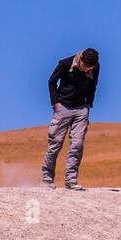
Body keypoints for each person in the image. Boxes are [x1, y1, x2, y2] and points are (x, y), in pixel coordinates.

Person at [41, 48, 99, 190]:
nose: (87, 71)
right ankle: (47, 179)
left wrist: (88, 104)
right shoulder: (65, 64)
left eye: (90, 69)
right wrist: (55, 104)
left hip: (81, 109)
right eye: (86, 68)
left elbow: (93, 84)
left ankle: (71, 180)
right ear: (81, 60)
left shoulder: (95, 66)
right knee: (55, 144)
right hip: (63, 107)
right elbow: (51, 82)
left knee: (77, 144)